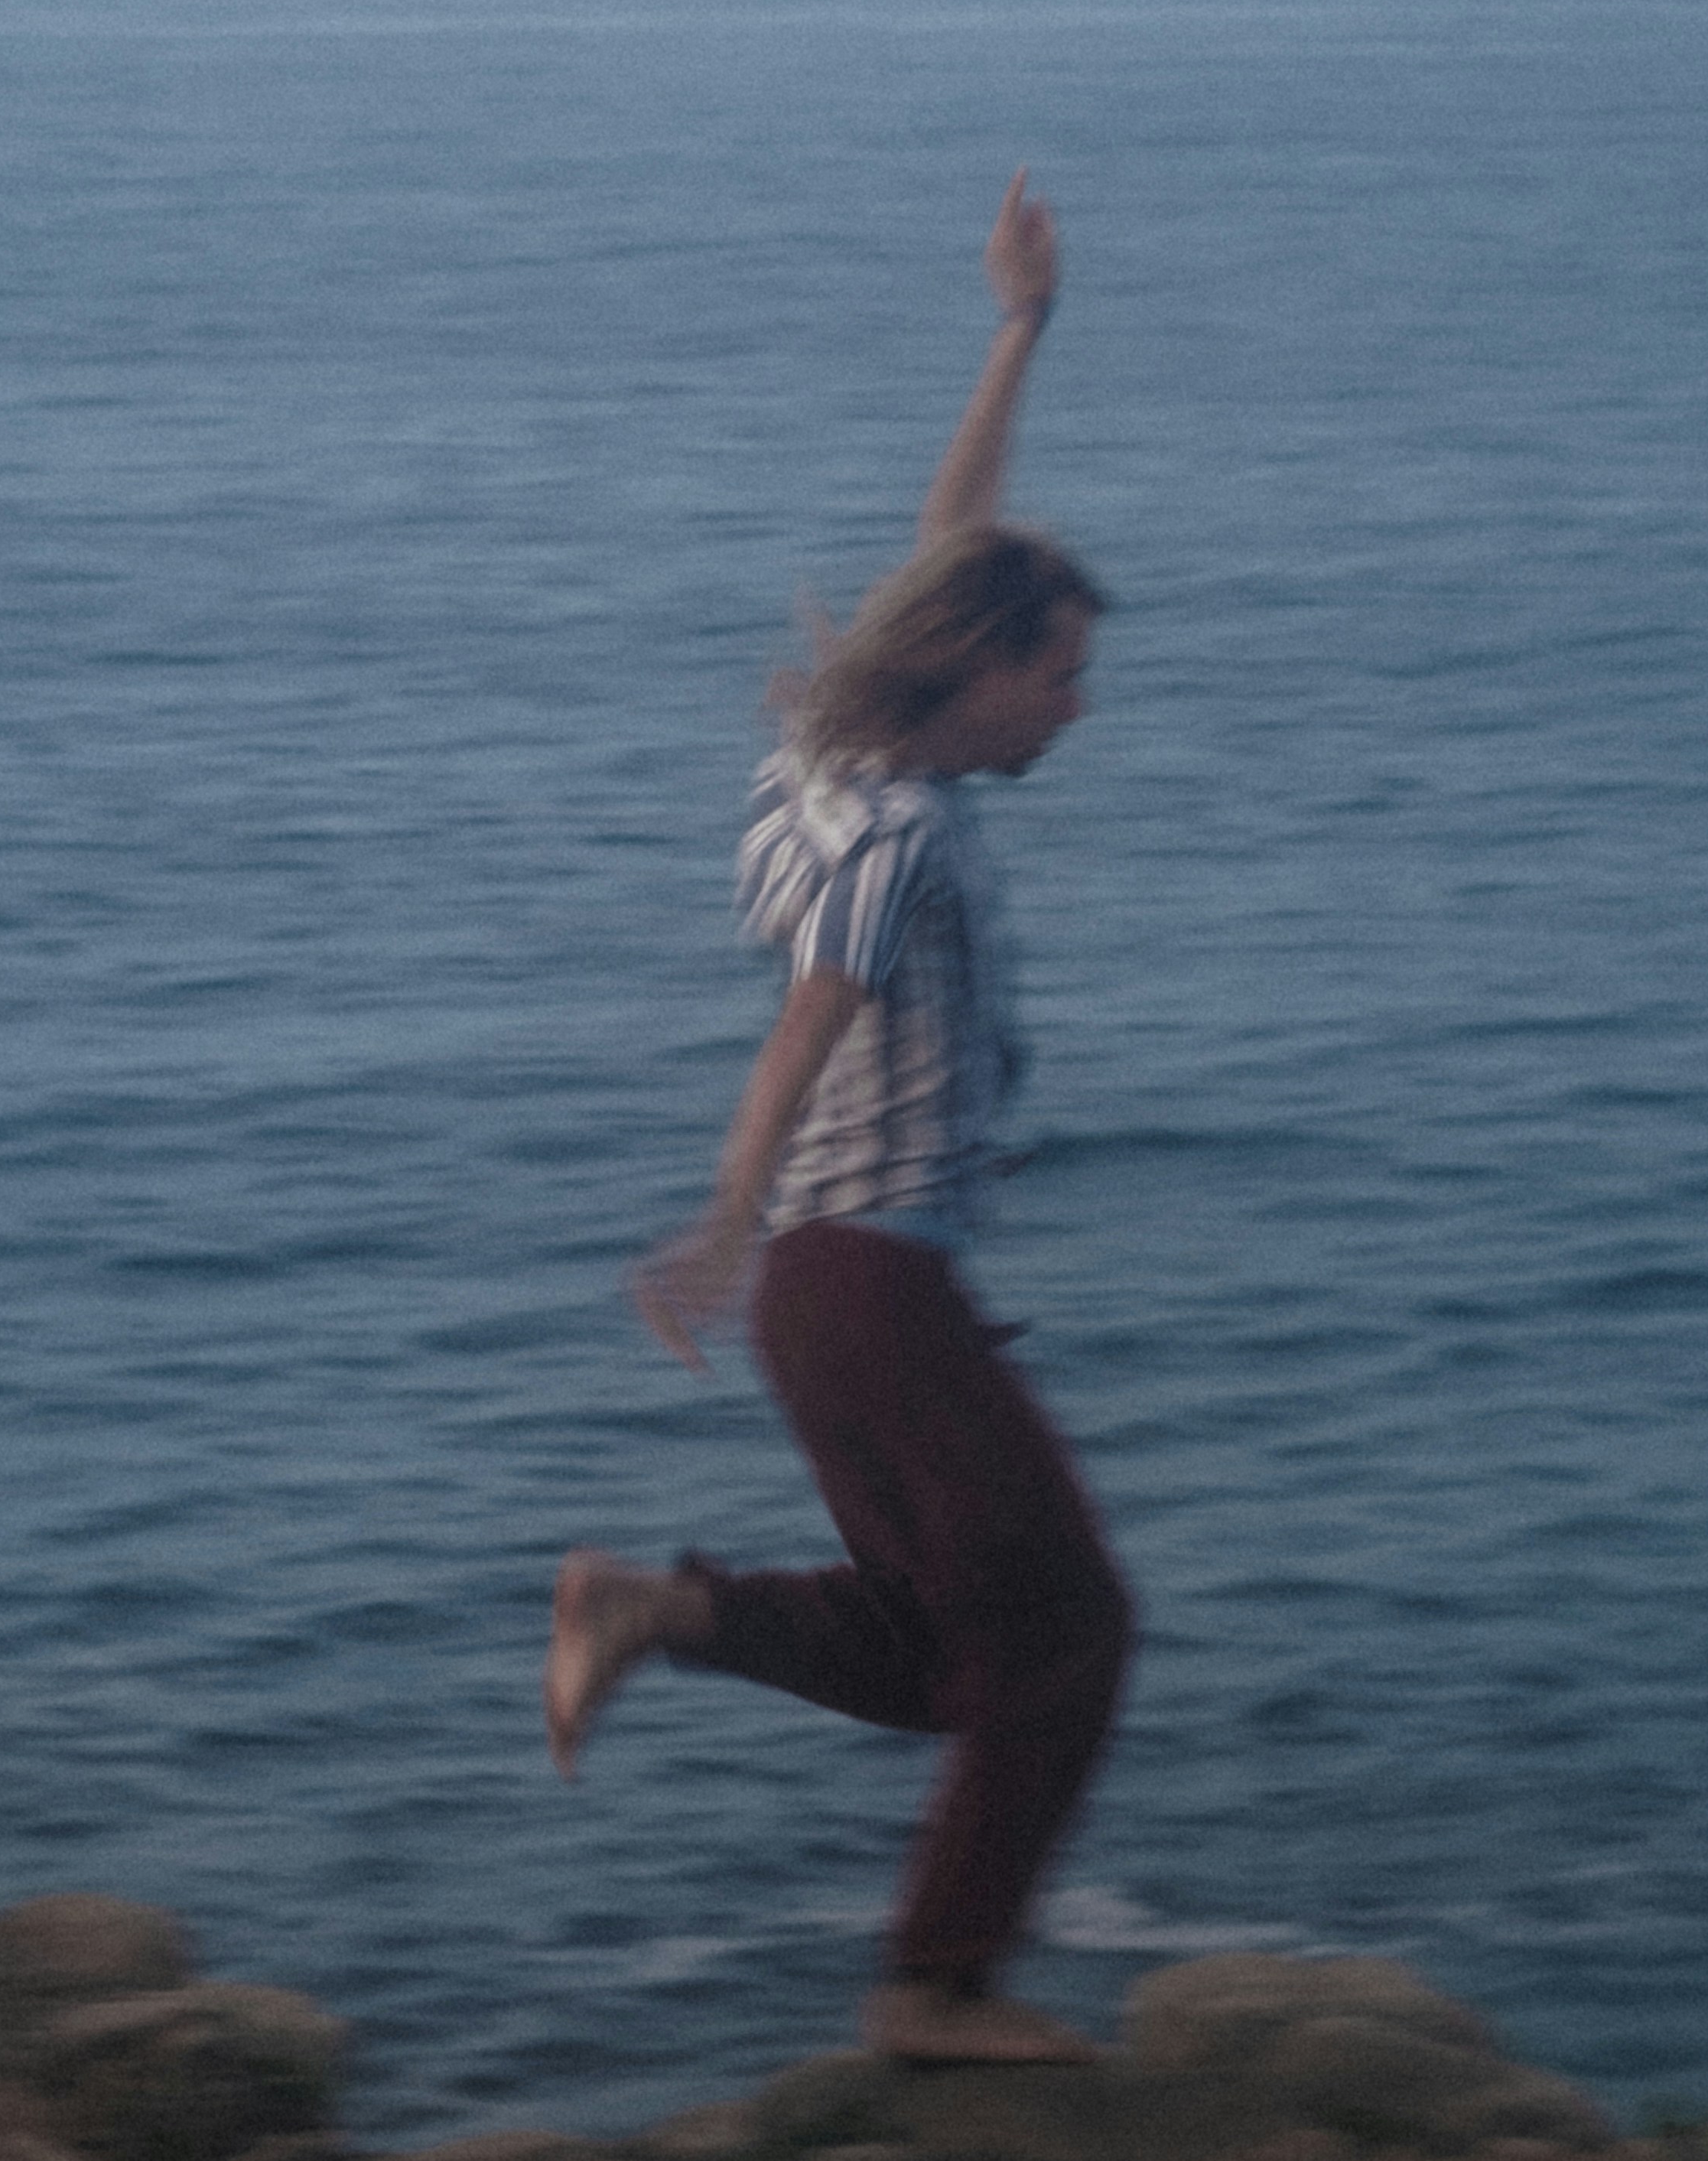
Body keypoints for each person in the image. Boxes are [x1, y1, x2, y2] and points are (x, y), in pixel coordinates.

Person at [545, 171, 1134, 2068]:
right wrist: (723, 1214)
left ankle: (651, 1608)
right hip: (861, 1277)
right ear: (973, 677)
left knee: (945, 1640)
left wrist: (1019, 328)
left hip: (853, 1288)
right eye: (1059, 670)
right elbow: (817, 1007)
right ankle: (927, 1991)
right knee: (1064, 1640)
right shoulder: (886, 830)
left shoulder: (839, 757)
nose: (1076, 701)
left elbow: (949, 540)